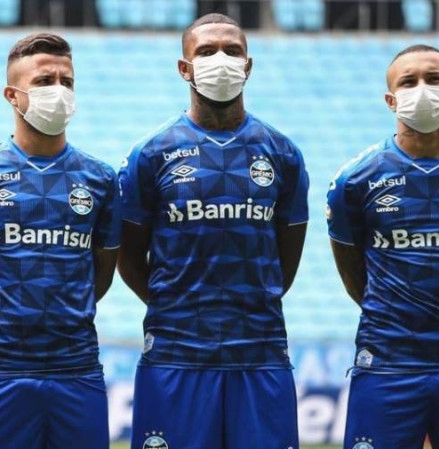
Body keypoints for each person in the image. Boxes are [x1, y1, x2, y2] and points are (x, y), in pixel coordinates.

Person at [117, 13, 309, 449]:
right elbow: (128, 259)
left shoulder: (282, 154)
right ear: (184, 68)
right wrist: (176, 306)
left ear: (248, 65)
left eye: (231, 51)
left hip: (260, 351)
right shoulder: (150, 154)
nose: (220, 60)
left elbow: (286, 262)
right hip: (175, 354)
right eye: (206, 51)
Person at [0, 32, 121, 449]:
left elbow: (102, 275)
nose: (59, 90)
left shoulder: (102, 179)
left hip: (76, 369)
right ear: (12, 95)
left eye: (66, 81)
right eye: (44, 81)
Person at [327, 44, 439, 448]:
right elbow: (351, 268)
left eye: (433, 79)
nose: (421, 89)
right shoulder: (355, 181)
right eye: (408, 81)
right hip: (388, 361)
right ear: (391, 99)